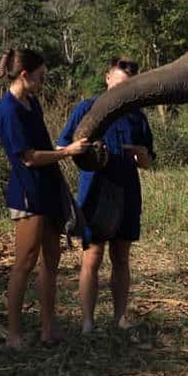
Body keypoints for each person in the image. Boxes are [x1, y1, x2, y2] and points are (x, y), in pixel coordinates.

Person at [0, 48, 91, 349]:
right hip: (28, 193)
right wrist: (67, 152)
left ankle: (49, 329)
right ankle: (14, 334)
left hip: (47, 189)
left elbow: (42, 146)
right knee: (24, 263)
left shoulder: (31, 102)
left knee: (51, 260)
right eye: (40, 75)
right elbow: (28, 158)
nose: (43, 79)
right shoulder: (8, 110)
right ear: (25, 75)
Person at [57, 56, 155, 333]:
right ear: (108, 78)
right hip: (96, 191)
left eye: (130, 85)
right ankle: (87, 321)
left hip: (127, 192)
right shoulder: (89, 108)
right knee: (93, 256)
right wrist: (88, 150)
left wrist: (141, 155)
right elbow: (64, 144)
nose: (124, 89)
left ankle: (119, 317)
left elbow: (148, 162)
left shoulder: (136, 116)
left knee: (122, 257)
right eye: (121, 82)